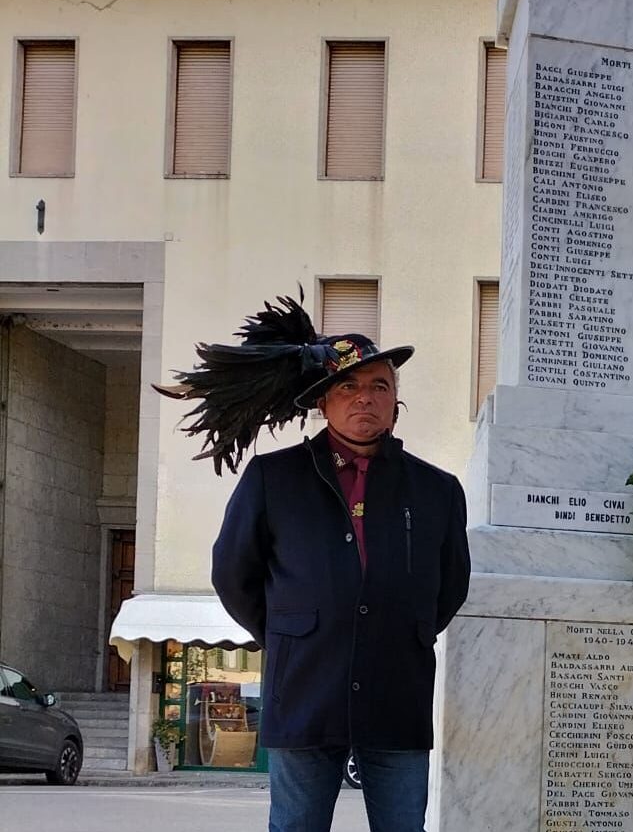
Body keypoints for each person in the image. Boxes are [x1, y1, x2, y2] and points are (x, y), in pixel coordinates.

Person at [157, 294, 470, 832]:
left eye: (379, 386)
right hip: (303, 693)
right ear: (321, 402)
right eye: (347, 386)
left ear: (396, 400)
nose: (364, 399)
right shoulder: (273, 479)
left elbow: (450, 587)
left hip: (398, 695)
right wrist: (292, 632)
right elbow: (234, 575)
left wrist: (399, 628)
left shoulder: (438, 490)